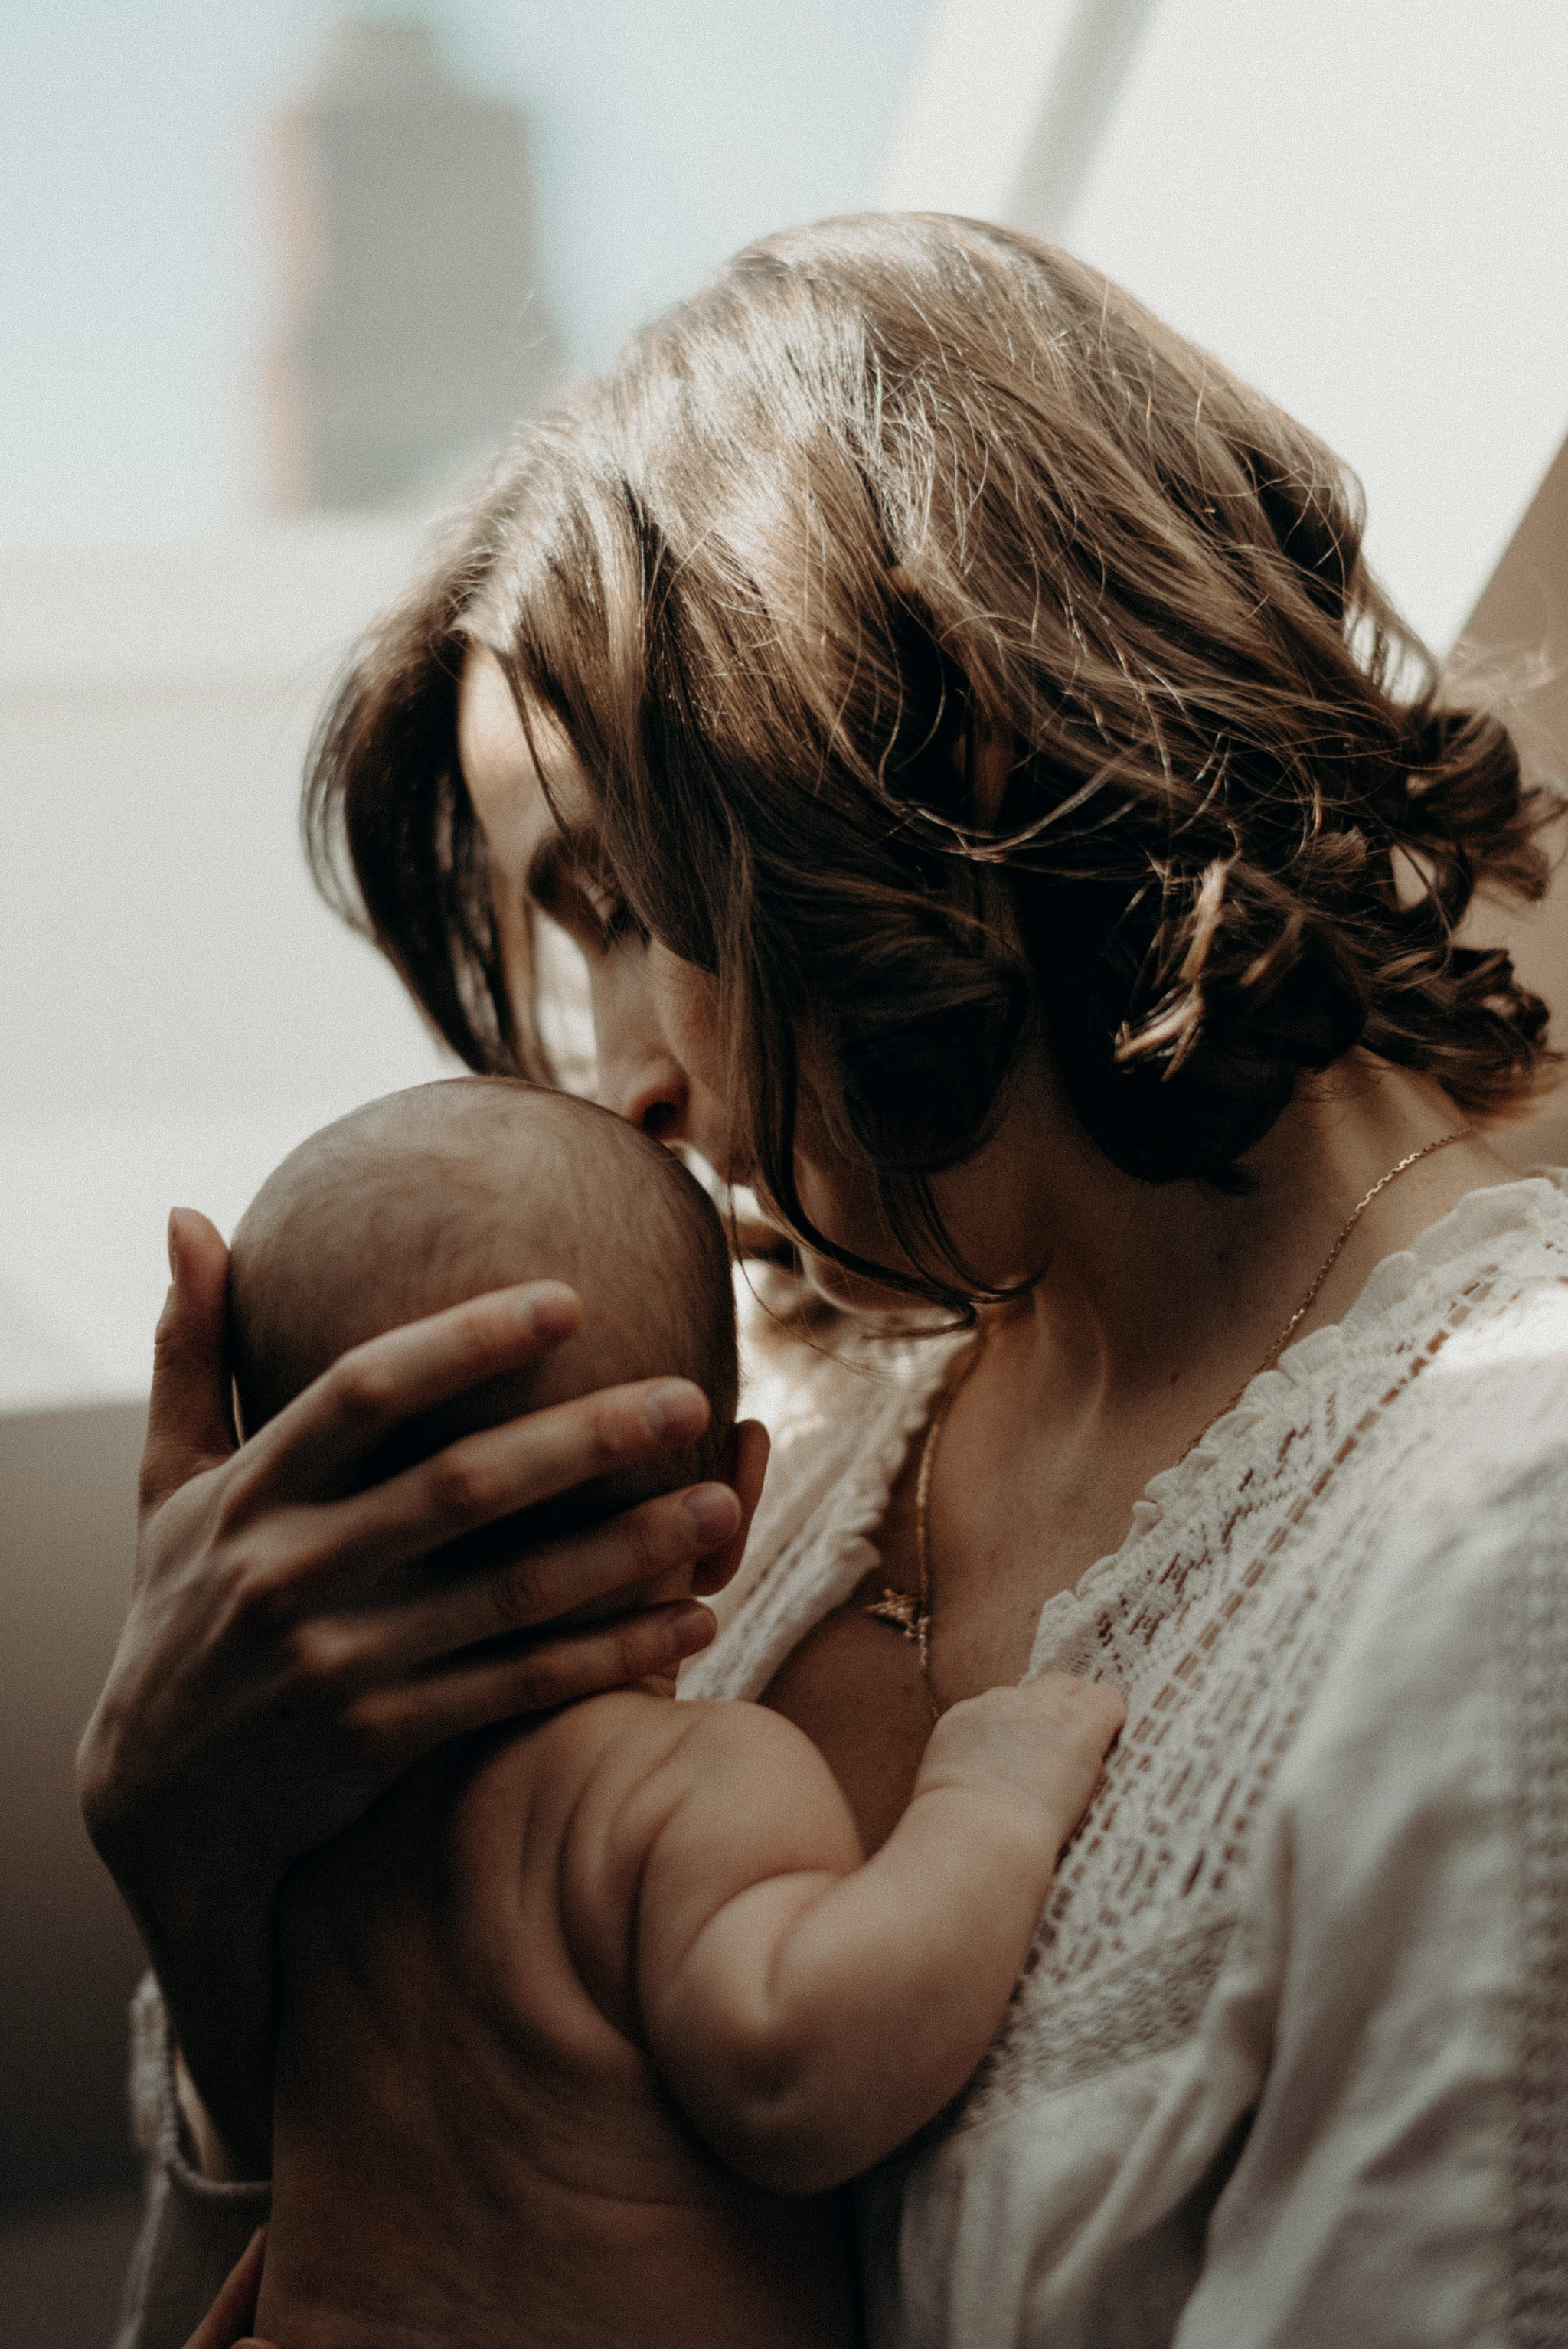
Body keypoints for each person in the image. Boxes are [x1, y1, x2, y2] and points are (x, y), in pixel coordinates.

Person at [86, 214, 1568, 2349]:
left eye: (614, 902)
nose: (630, 1078)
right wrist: (215, 1881)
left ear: (939, 740)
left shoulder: (1496, 1552)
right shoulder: (752, 1467)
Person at [216, 1074, 1121, 2347]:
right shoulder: (674, 1779)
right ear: (734, 1500)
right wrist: (991, 1800)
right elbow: (791, 2067)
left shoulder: (308, 1833)